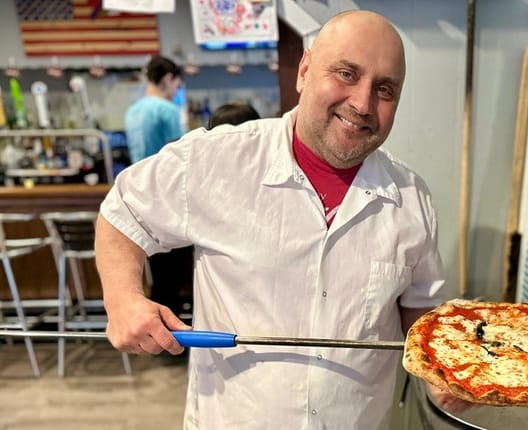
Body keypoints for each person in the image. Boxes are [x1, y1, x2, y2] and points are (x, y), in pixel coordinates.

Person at [95, 10, 469, 429]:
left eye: (385, 89)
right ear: (305, 71)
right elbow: (122, 211)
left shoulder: (411, 198)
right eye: (346, 73)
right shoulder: (218, 160)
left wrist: (443, 369)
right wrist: (122, 299)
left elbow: (418, 312)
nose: (363, 103)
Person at [123, 55, 191, 322]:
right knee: (177, 269)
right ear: (168, 79)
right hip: (168, 196)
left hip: (141, 197)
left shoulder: (133, 112)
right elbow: (180, 155)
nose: (176, 91)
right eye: (177, 85)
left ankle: (160, 328)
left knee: (159, 268)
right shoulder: (167, 110)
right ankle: (176, 332)